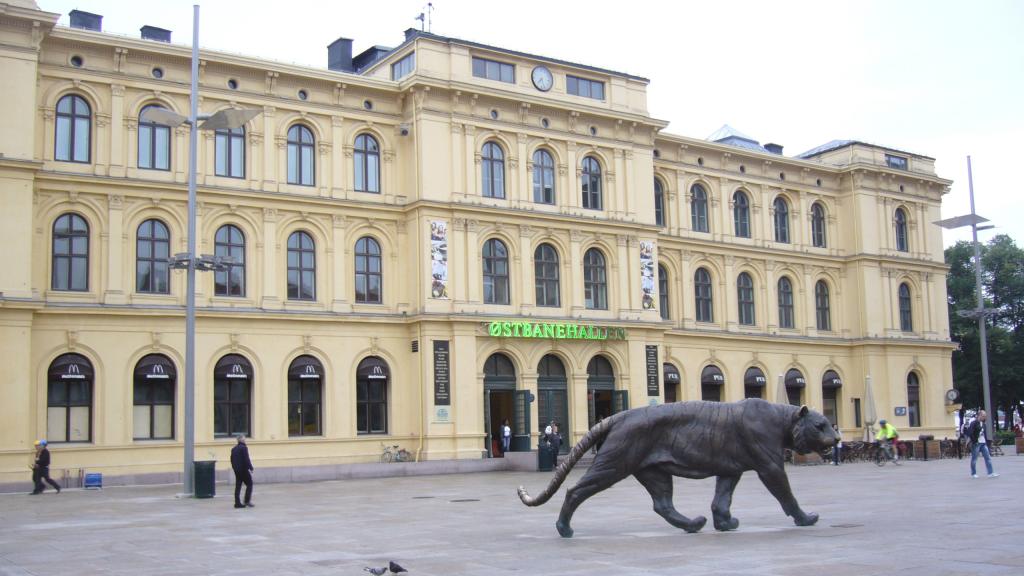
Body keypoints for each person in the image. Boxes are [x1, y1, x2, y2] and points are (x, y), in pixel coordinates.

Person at [964, 411, 999, 478]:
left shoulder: (983, 423)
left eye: (985, 416)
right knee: (974, 459)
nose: (984, 417)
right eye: (983, 416)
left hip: (983, 443)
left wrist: (987, 441)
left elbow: (984, 433)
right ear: (979, 415)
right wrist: (974, 441)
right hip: (976, 443)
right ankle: (973, 473)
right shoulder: (974, 423)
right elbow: (970, 433)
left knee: (988, 458)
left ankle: (990, 473)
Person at [230, 434, 254, 508]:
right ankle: (247, 501)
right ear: (241, 439)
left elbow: (231, 459)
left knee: (238, 486)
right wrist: (251, 468)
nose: (245, 439)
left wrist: (234, 468)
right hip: (243, 469)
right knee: (249, 483)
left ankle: (237, 503)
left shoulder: (234, 449)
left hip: (237, 470)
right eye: (244, 438)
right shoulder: (244, 448)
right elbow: (246, 459)